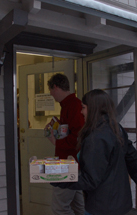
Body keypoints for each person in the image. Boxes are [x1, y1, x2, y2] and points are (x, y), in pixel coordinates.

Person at [52, 89, 137, 215]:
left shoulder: (95, 138)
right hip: (120, 202)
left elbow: (90, 180)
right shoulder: (116, 127)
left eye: (83, 107)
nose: (81, 111)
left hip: (102, 206)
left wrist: (58, 178)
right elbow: (131, 155)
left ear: (93, 109)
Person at [45, 73, 85, 215]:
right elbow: (72, 131)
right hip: (74, 163)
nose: (51, 94)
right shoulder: (68, 105)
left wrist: (56, 142)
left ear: (55, 87)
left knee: (60, 208)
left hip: (69, 164)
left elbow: (78, 137)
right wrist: (58, 126)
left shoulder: (73, 106)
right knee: (78, 207)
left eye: (50, 90)